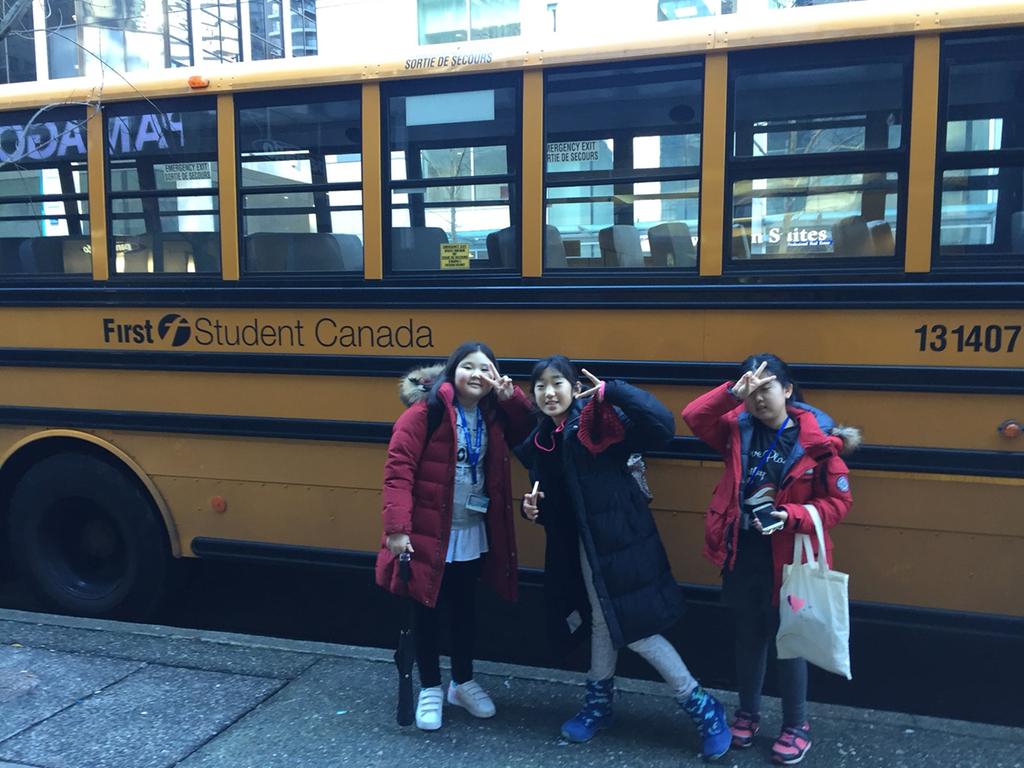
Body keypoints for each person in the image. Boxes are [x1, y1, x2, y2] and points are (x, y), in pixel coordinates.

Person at [518, 355, 731, 761]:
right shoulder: (542, 440)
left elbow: (662, 426)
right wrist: (534, 510)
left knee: (634, 631)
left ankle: (702, 705)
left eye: (557, 382)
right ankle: (599, 704)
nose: (549, 392)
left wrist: (613, 390)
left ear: (574, 387)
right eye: (540, 386)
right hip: (585, 550)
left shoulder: (598, 422)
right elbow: (555, 505)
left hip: (622, 543)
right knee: (603, 622)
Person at [682, 354, 859, 766]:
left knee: (790, 639)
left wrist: (790, 516)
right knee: (748, 637)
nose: (759, 398)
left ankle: (797, 725)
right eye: (752, 390)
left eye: (767, 388)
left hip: (791, 556)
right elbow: (693, 417)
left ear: (787, 389)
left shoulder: (818, 439)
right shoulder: (736, 428)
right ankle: (748, 713)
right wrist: (732, 394)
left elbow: (839, 502)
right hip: (743, 549)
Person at [375, 342, 535, 731]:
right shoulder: (424, 412)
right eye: (468, 366)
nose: (476, 374)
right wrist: (397, 529)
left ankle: (462, 682)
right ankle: (430, 686)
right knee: (426, 611)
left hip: (471, 529)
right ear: (452, 371)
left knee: (465, 610)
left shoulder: (493, 414)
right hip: (429, 531)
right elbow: (398, 470)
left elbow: (530, 433)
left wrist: (512, 398)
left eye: (485, 368)